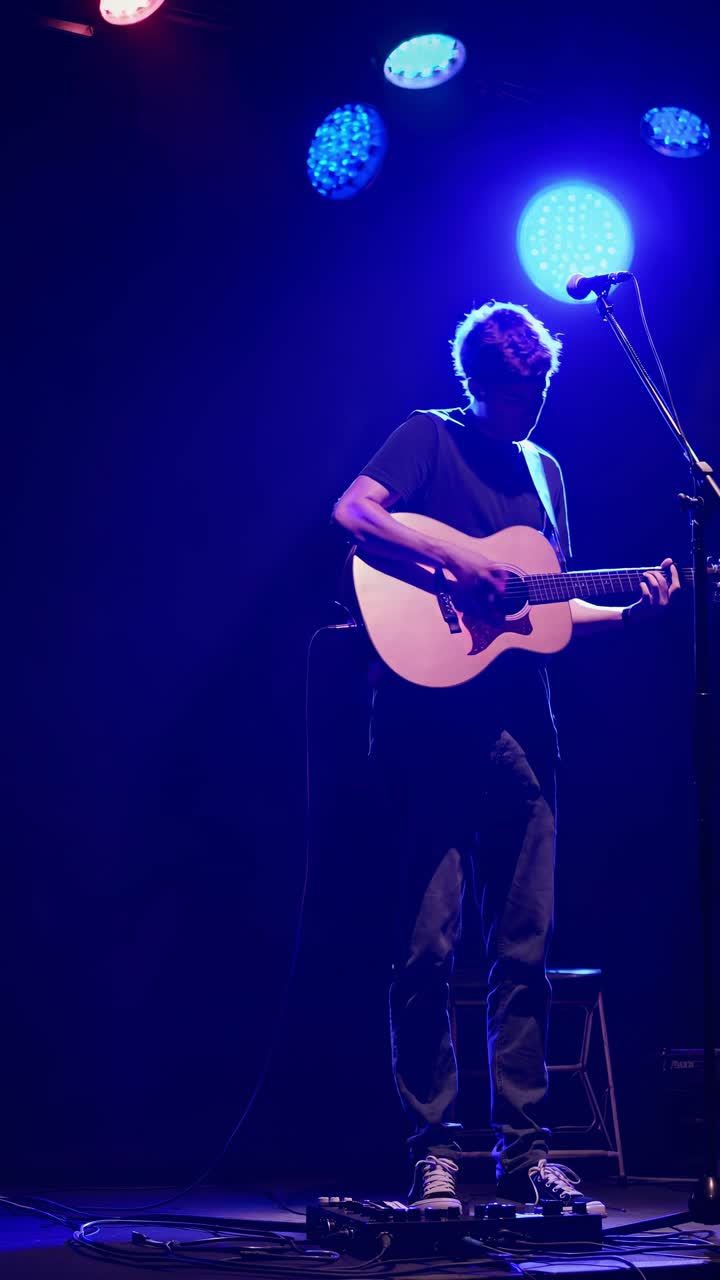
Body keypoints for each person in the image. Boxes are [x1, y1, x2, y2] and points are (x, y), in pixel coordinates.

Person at [332, 301, 679, 1215]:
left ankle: (526, 1154)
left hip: (525, 735)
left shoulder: (545, 470)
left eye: (540, 393)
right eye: (514, 394)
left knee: (525, 952)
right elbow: (355, 511)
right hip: (430, 726)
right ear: (478, 384)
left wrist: (630, 607)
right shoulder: (429, 436)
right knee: (426, 951)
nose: (528, 410)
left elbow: (549, 606)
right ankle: (434, 1154)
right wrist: (459, 561)